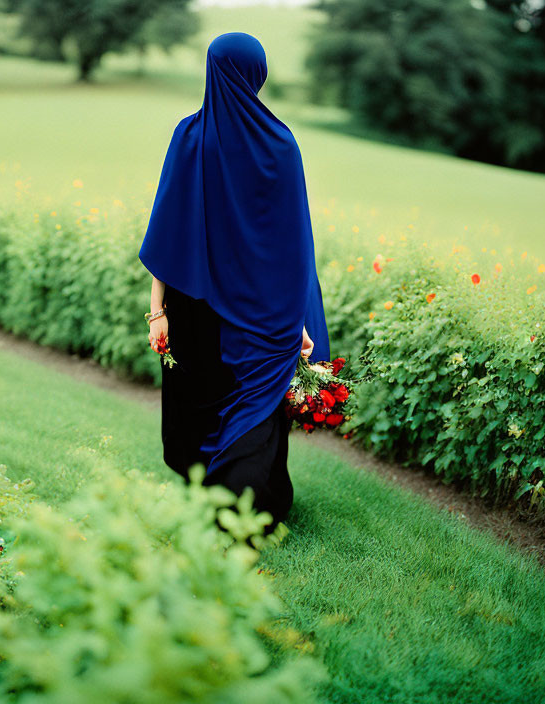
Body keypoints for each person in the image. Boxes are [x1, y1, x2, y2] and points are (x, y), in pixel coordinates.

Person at [138, 32, 330, 537]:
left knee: (196, 407)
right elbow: (296, 248)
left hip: (194, 303)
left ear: (211, 70)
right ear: (257, 75)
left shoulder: (190, 135)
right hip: (263, 312)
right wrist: (300, 321)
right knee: (253, 404)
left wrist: (157, 309)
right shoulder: (281, 145)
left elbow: (166, 232)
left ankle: (207, 498)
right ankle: (251, 507)